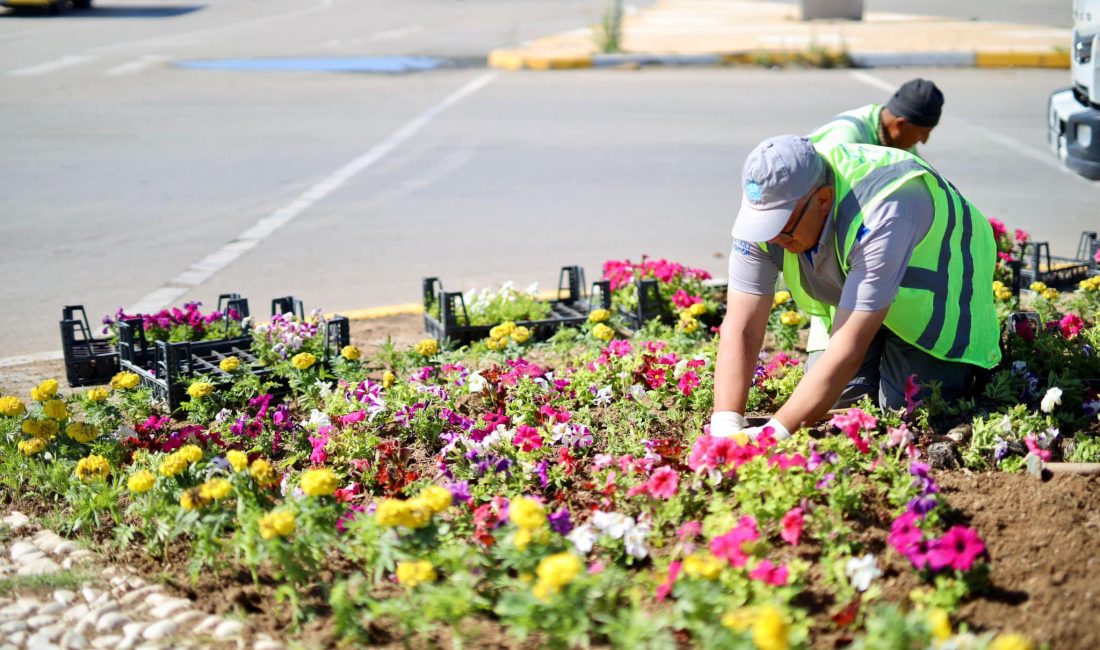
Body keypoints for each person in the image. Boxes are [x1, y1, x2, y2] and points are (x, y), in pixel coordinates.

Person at [710, 135, 1000, 440]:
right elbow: (742, 327)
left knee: (910, 412)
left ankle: (961, 371)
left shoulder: (885, 209)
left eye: (781, 227)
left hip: (933, 291)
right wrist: (725, 426)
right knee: (835, 402)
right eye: (763, 225)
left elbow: (847, 347)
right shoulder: (768, 210)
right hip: (857, 285)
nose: (770, 238)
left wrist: (771, 437)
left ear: (823, 200)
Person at [802, 78, 947, 400]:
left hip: (877, 271)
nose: (923, 140)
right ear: (900, 123)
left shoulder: (898, 144)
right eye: (924, 131)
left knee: (908, 401)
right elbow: (826, 220)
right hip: (836, 269)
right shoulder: (846, 141)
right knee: (833, 395)